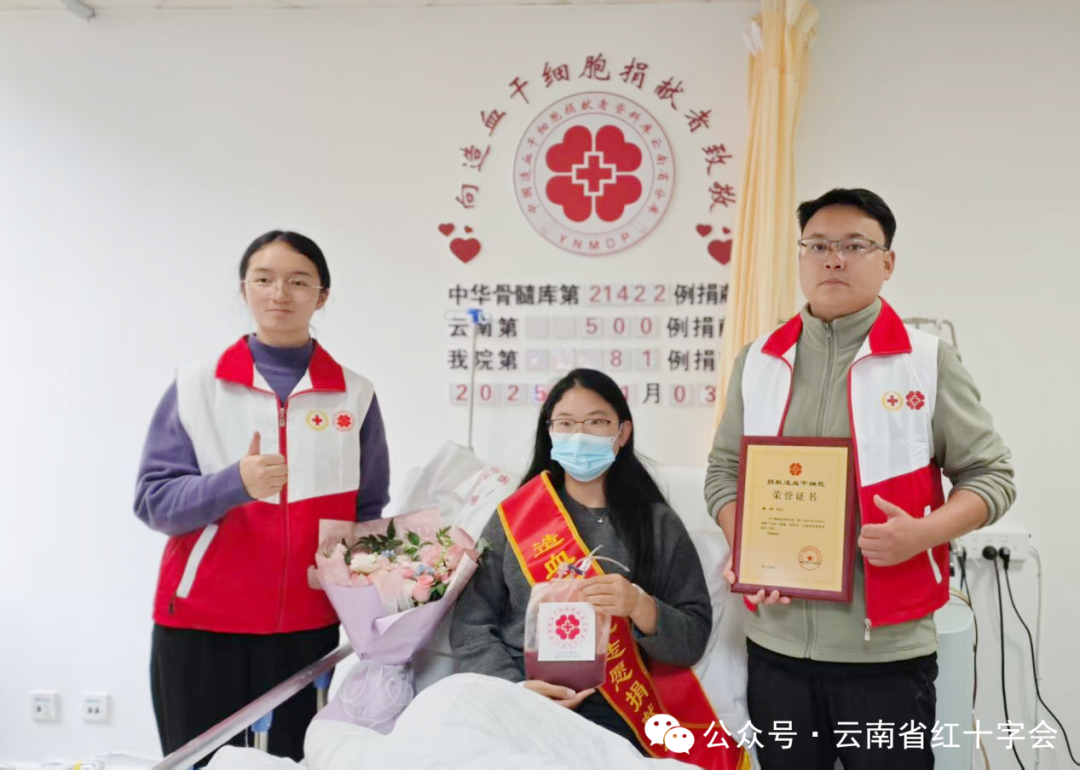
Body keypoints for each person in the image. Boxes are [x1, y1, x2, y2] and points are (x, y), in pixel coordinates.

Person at [705, 188, 1016, 769]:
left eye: (854, 246)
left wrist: (922, 534)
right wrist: (747, 546)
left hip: (886, 654)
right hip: (776, 648)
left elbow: (991, 475)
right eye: (818, 245)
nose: (833, 259)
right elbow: (724, 471)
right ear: (801, 257)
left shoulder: (925, 361)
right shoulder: (759, 361)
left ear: (887, 261)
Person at [135, 230, 391, 761]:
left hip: (306, 629)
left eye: (298, 282)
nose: (280, 293)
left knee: (290, 763)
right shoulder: (198, 385)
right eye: (264, 279)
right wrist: (235, 484)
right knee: (199, 765)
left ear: (321, 295)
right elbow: (154, 501)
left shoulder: (355, 395)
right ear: (244, 289)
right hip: (201, 625)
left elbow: (367, 512)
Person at [452, 369, 744, 767]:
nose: (579, 436)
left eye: (596, 422)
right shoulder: (516, 516)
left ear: (622, 433)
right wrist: (515, 687)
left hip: (617, 709)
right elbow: (470, 623)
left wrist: (640, 605)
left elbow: (692, 637)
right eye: (566, 424)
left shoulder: (656, 524)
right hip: (519, 699)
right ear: (549, 432)